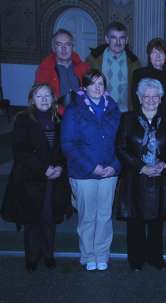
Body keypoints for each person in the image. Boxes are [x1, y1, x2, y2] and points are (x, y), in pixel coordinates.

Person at [1, 84, 72, 272]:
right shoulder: (23, 119)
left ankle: (48, 254)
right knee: (32, 219)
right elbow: (20, 151)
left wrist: (59, 166)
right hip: (30, 178)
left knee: (49, 217)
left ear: (53, 98)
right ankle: (32, 257)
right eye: (39, 96)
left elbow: (63, 149)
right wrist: (44, 169)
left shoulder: (58, 119)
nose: (44, 99)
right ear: (32, 99)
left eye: (47, 95)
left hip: (54, 178)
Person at [61, 70, 121, 271]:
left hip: (109, 172)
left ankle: (102, 254)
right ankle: (87, 255)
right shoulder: (74, 109)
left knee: (104, 216)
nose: (97, 87)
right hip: (83, 172)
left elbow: (121, 142)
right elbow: (68, 144)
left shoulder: (113, 108)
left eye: (101, 83)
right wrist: (91, 166)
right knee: (87, 217)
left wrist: (114, 165)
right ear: (84, 87)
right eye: (93, 83)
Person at [115, 78, 166, 271]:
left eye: (154, 96)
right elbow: (121, 148)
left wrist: (165, 164)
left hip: (160, 177)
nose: (150, 99)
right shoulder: (127, 119)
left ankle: (155, 256)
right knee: (136, 221)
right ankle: (136, 258)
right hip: (135, 176)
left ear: (160, 98)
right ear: (139, 98)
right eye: (146, 96)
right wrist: (141, 166)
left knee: (157, 222)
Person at [87, 21, 141, 112]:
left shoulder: (134, 63)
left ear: (126, 40)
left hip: (124, 112)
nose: (118, 42)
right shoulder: (93, 60)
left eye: (122, 38)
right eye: (114, 38)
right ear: (107, 39)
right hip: (100, 112)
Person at [35, 29, 90, 111]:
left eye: (67, 44)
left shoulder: (84, 68)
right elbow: (39, 99)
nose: (64, 49)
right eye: (59, 45)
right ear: (53, 48)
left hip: (82, 114)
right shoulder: (44, 70)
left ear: (72, 47)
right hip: (57, 116)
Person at [131, 38, 166, 118]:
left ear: (165, 56)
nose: (158, 56)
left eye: (161, 53)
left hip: (165, 120)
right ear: (149, 56)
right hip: (142, 118)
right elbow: (135, 101)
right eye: (154, 52)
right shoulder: (139, 74)